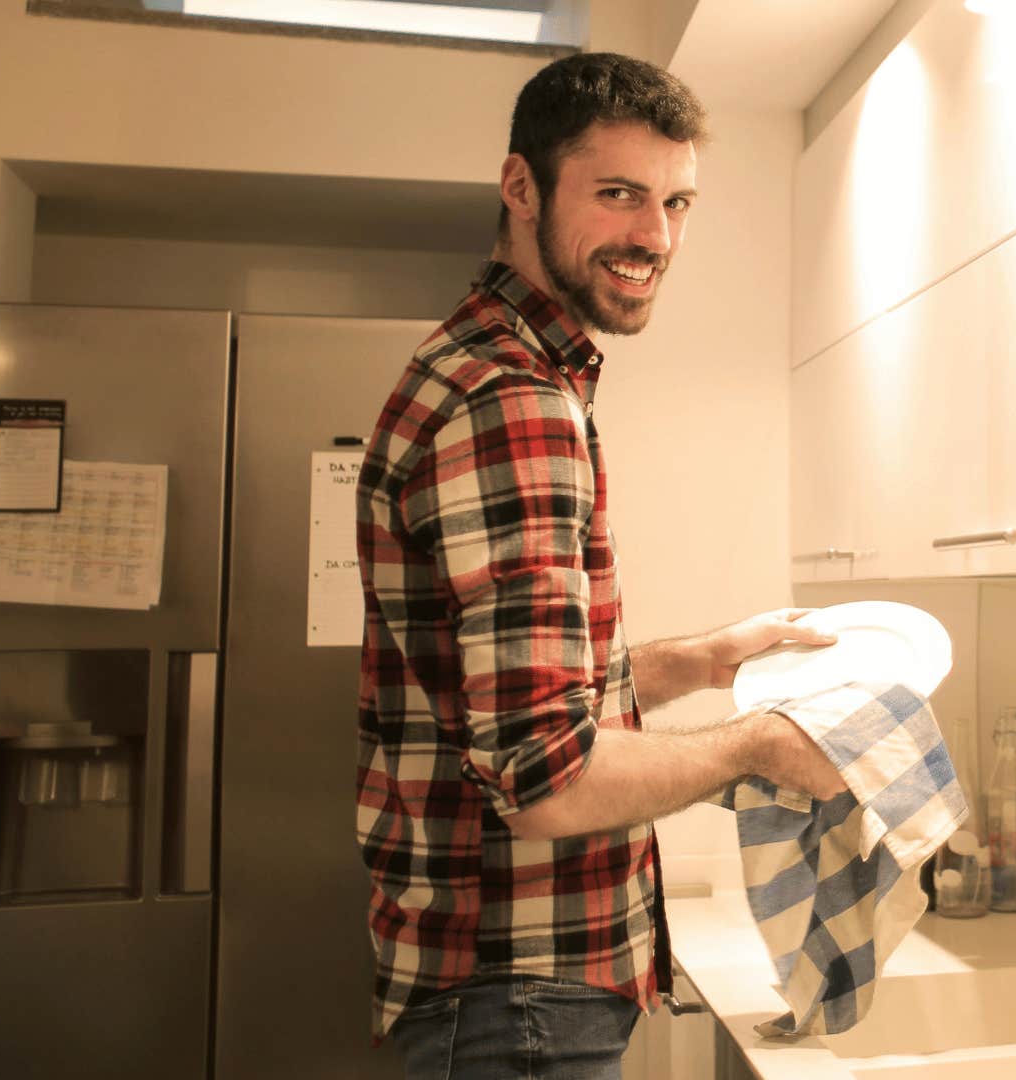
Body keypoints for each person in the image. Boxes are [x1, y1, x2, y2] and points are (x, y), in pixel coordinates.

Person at [354, 52, 846, 1079]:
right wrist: (757, 742)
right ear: (521, 188)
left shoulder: (509, 372)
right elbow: (544, 778)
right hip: (516, 998)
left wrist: (706, 661)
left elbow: (515, 699)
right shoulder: (511, 401)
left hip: (504, 992)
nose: (654, 237)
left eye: (675, 202)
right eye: (618, 194)